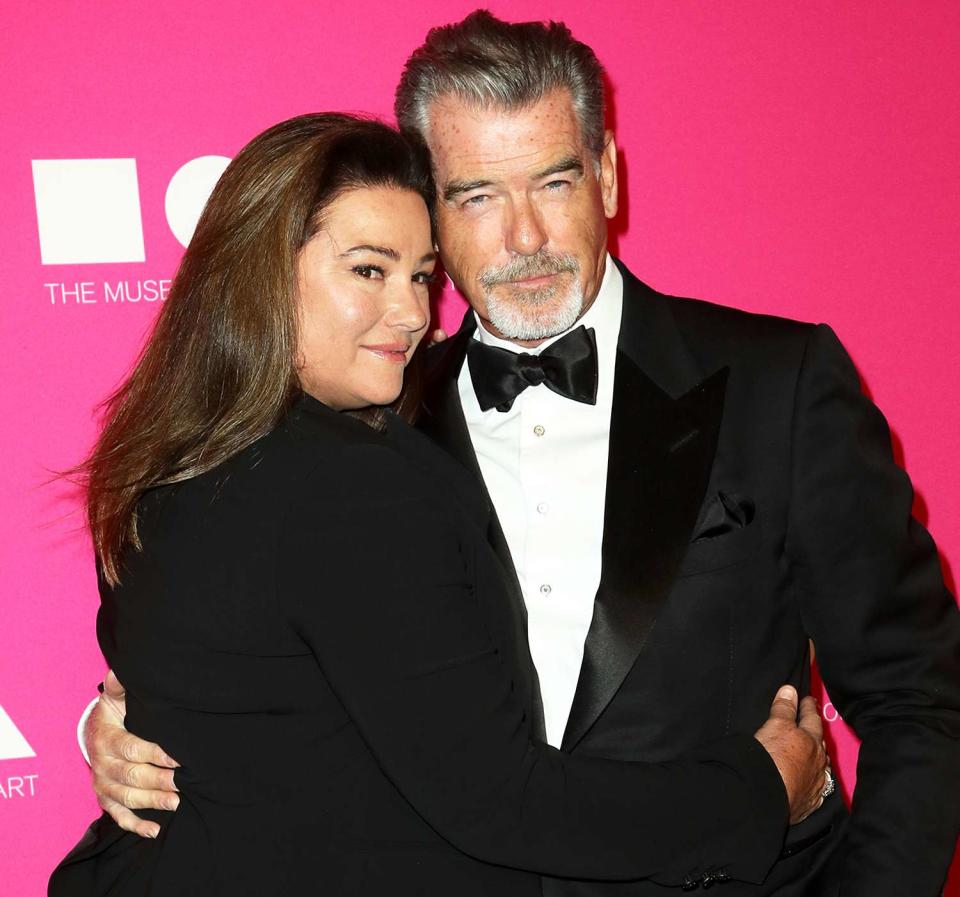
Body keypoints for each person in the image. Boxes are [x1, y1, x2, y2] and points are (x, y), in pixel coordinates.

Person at [84, 11, 960, 894]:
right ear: (431, 209)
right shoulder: (368, 416)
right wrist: (122, 723)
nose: (526, 238)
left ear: (608, 177)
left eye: (553, 181)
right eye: (477, 196)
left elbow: (922, 696)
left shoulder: (782, 384)